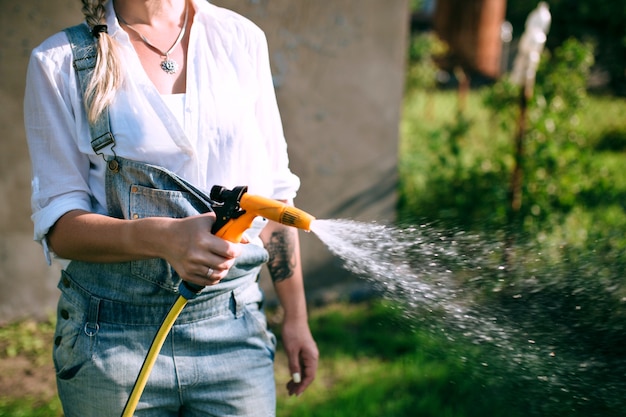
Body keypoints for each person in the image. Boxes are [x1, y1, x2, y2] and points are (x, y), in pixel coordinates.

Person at [23, 0, 318, 415]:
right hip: (110, 340)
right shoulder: (59, 61)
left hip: (232, 327)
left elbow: (276, 195)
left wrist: (295, 317)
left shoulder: (239, 39)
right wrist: (164, 239)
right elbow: (59, 226)